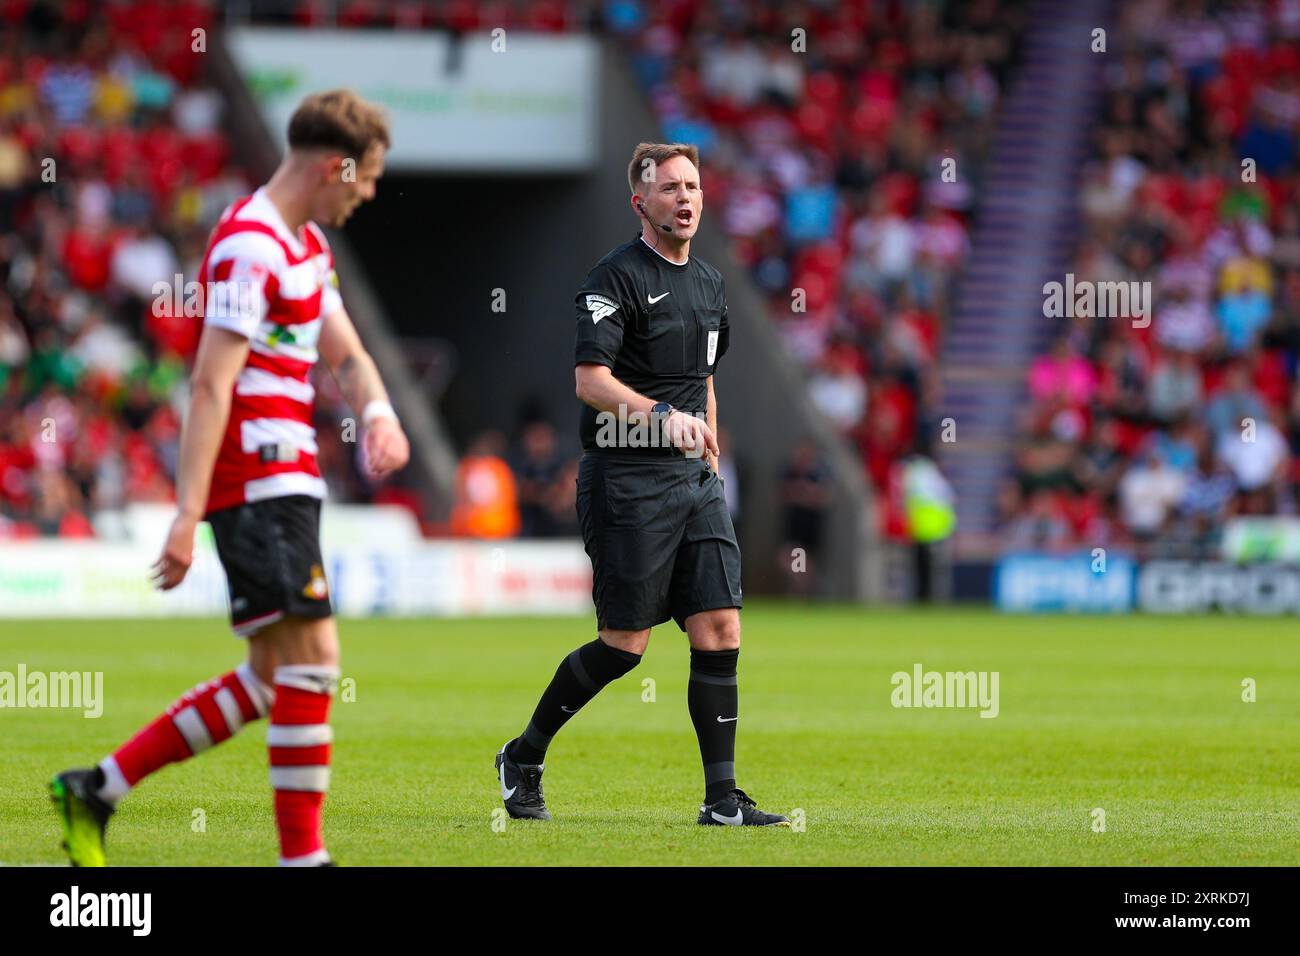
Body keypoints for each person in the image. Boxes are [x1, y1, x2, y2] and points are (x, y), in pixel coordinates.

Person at [49, 89, 410, 867]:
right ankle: (303, 860)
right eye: (366, 176)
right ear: (330, 166)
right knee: (312, 663)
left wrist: (377, 412)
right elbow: (212, 383)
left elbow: (345, 354)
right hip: (256, 477)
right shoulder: (250, 245)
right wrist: (187, 512)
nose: (369, 191)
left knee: (275, 676)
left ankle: (98, 789)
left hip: (292, 482)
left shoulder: (307, 247)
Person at [494, 142, 788, 827]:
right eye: (670, 189)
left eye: (693, 186)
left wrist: (710, 451)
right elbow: (589, 381)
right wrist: (661, 418)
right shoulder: (613, 279)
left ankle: (721, 800)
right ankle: (524, 754)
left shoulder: (712, 285)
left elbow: (703, 380)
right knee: (625, 646)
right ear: (641, 202)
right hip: (626, 479)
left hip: (695, 482)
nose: (685, 198)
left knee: (719, 627)